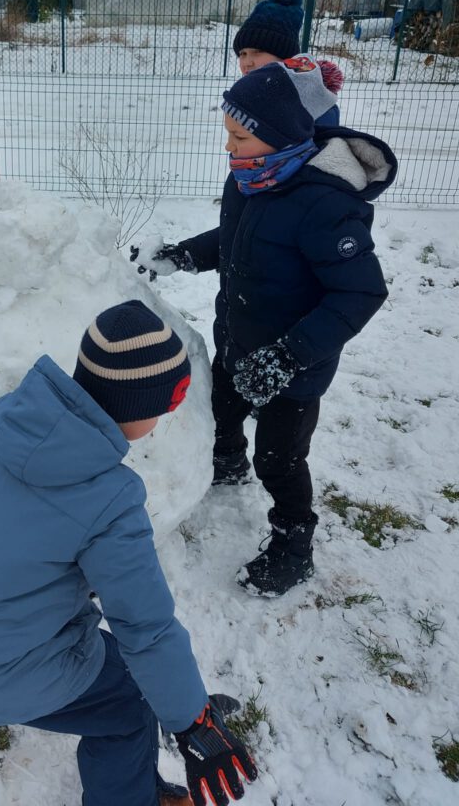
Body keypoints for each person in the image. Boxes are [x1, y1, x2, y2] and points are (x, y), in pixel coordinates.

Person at [0, 301, 258, 806]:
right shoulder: (110, 497)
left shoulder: (5, 419)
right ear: (146, 407)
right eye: (169, 404)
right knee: (130, 702)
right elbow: (144, 629)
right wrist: (194, 722)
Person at [132, 60, 397, 596]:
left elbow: (361, 291)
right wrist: (183, 255)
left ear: (279, 139)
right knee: (220, 410)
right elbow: (234, 237)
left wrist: (288, 357)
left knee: (279, 459)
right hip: (238, 340)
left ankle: (294, 543)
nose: (228, 147)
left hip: (293, 368)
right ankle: (225, 463)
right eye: (227, 134)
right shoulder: (251, 178)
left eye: (239, 136)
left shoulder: (323, 204)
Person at [233, 0, 343, 128]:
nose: (247, 62)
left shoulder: (313, 103)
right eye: (242, 54)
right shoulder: (249, 95)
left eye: (258, 52)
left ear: (285, 56)